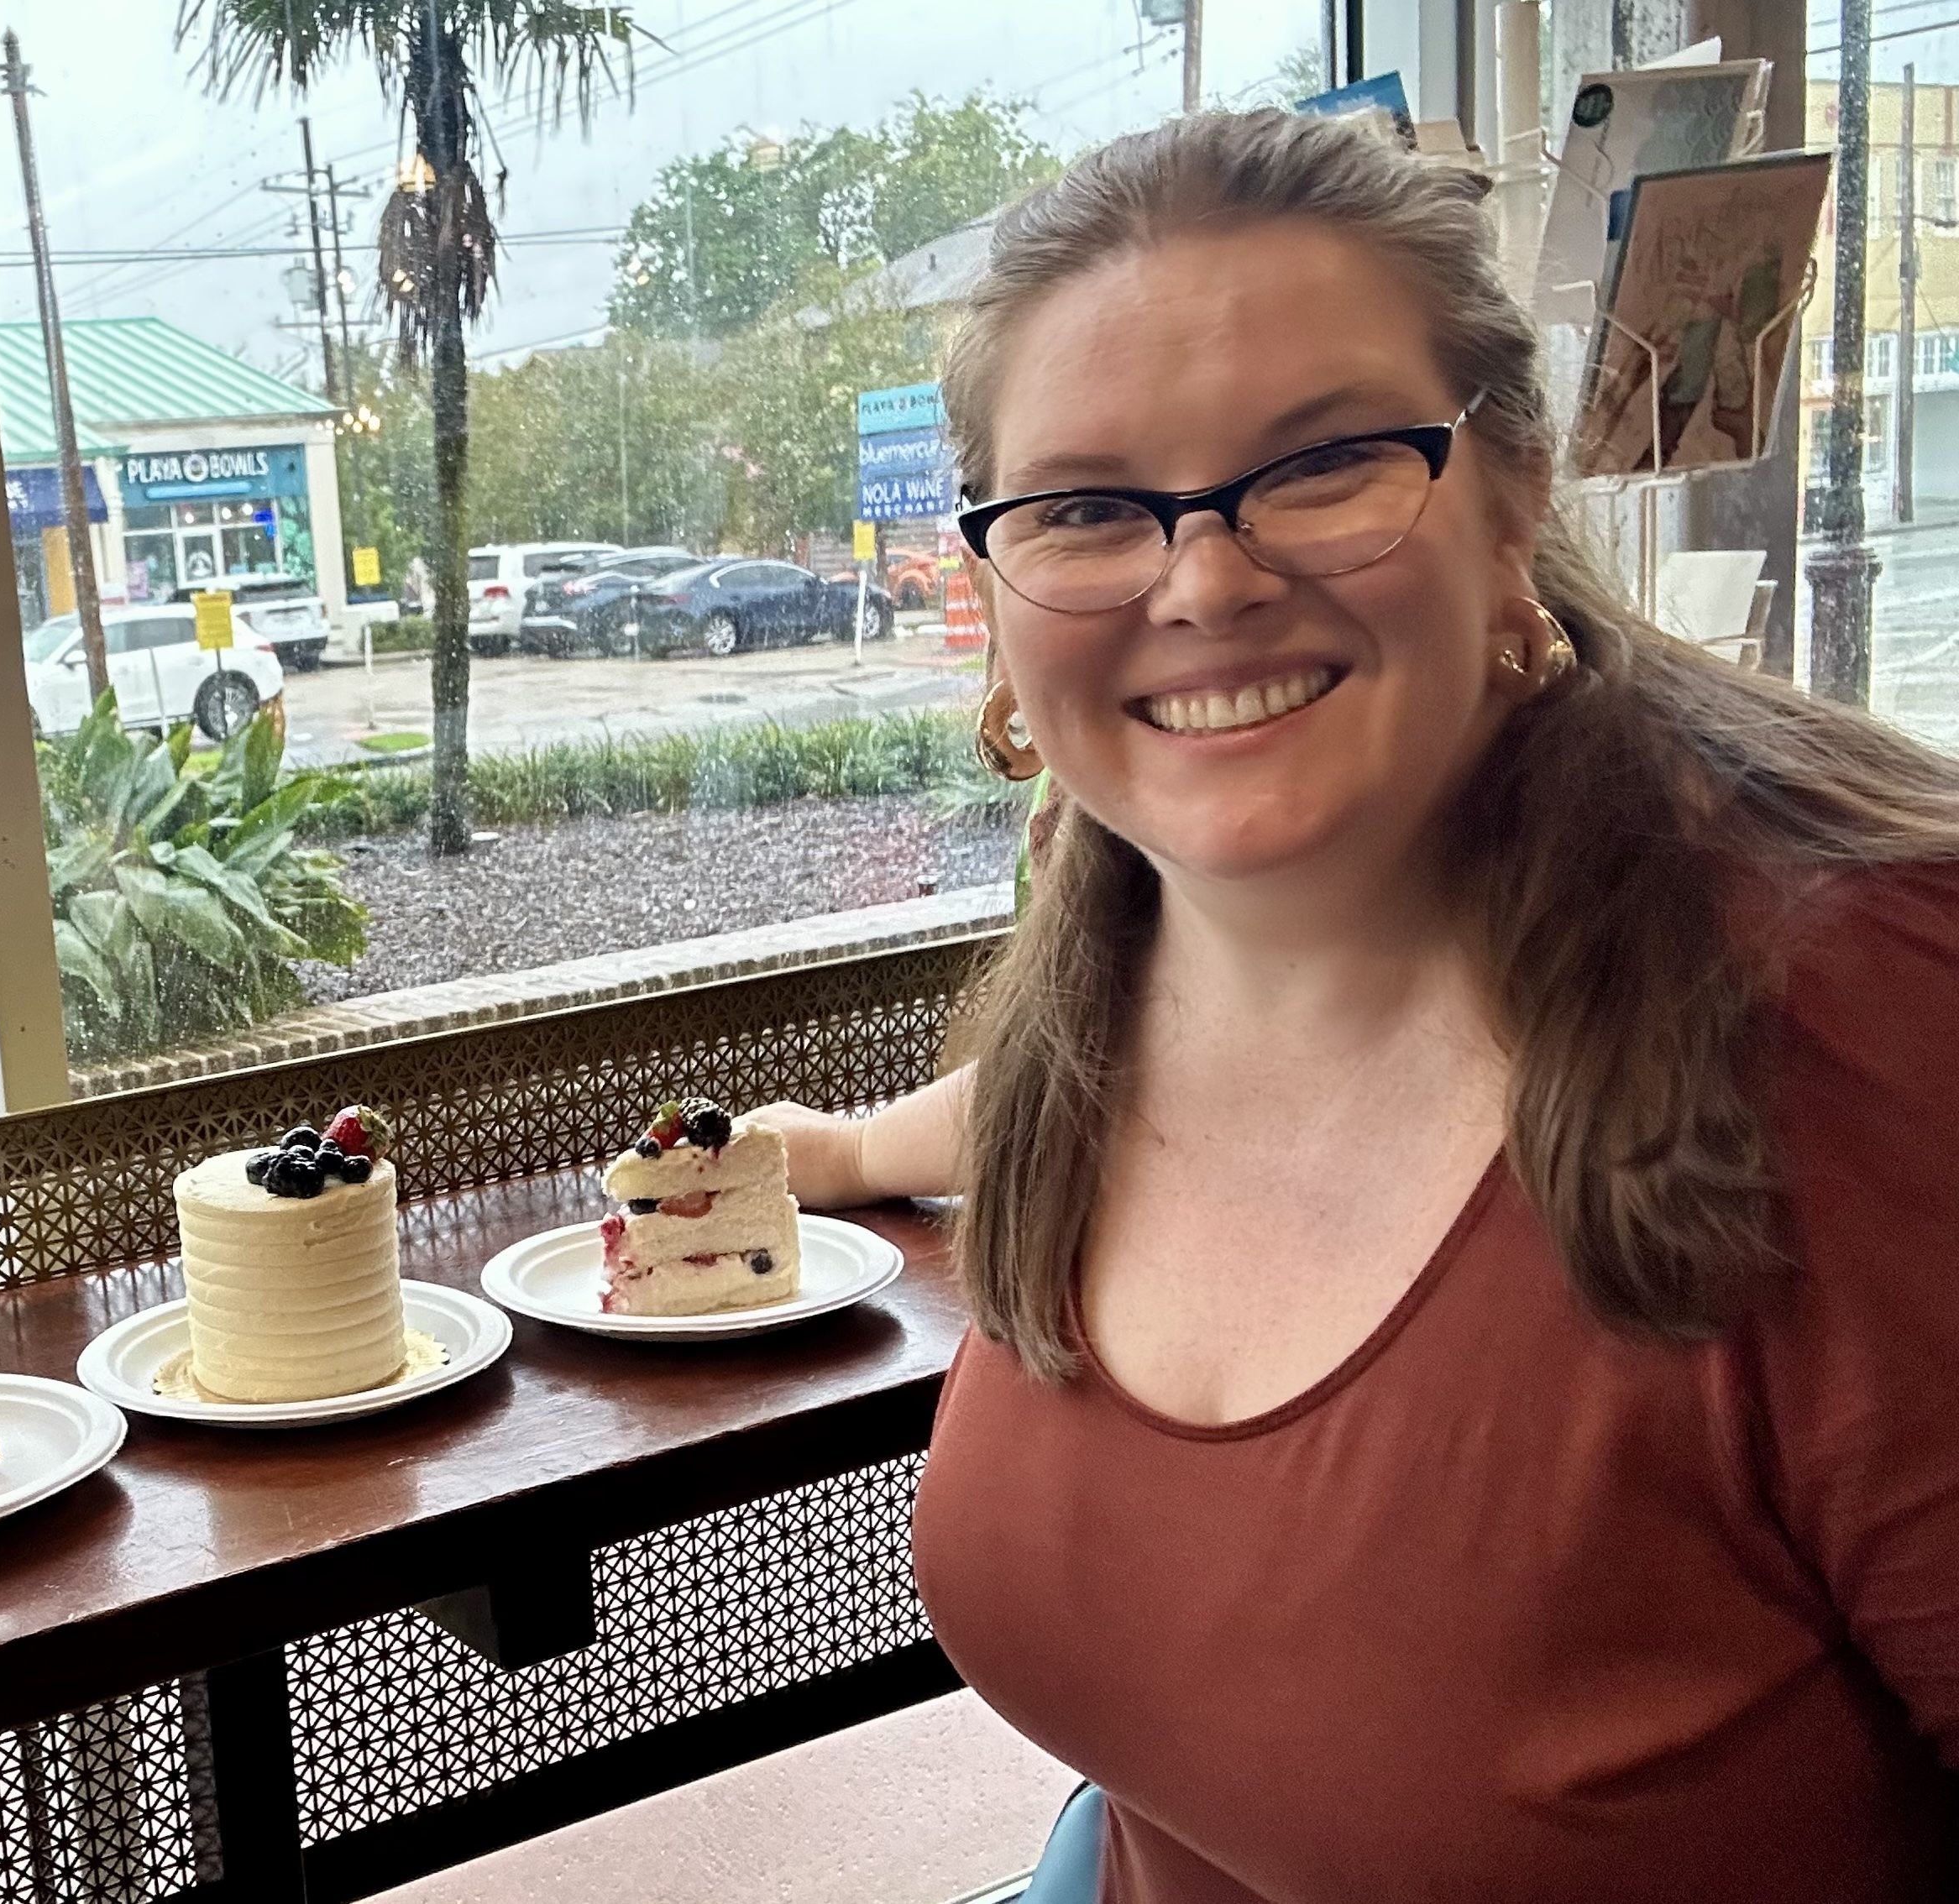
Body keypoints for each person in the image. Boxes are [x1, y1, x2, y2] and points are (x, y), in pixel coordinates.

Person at [762, 110, 1959, 1900]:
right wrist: (846, 1150)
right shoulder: (1114, 951)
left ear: (1514, 496)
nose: (1209, 580)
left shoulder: (1871, 1020)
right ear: (1000, 588)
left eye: (1323, 465)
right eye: (1088, 506)